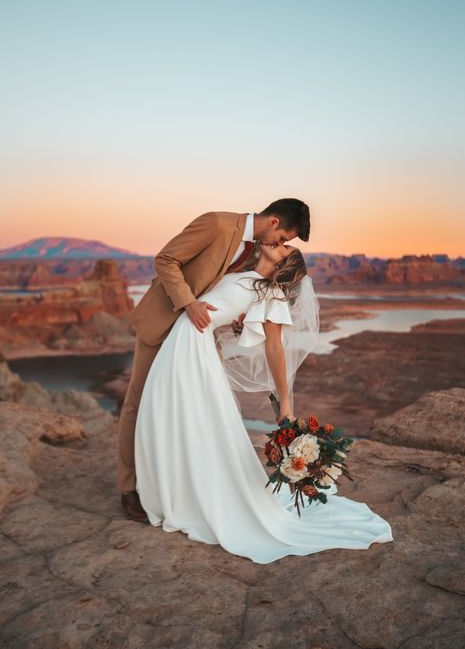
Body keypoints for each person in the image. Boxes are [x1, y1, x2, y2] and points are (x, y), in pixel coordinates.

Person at [133, 242, 394, 564]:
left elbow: (274, 348)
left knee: (185, 422)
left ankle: (188, 500)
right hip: (183, 342)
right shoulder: (243, 271)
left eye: (284, 246)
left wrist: (286, 402)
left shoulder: (272, 295)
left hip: (193, 351)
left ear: (285, 263)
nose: (278, 243)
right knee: (164, 417)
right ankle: (175, 494)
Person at [117, 198, 311, 521]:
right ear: (274, 222)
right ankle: (129, 489)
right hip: (166, 320)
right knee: (139, 402)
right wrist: (190, 304)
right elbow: (166, 260)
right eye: (284, 240)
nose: (281, 244)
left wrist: (234, 321)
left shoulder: (255, 252)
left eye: (285, 246)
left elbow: (241, 305)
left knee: (186, 415)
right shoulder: (218, 224)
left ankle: (175, 485)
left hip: (195, 341)